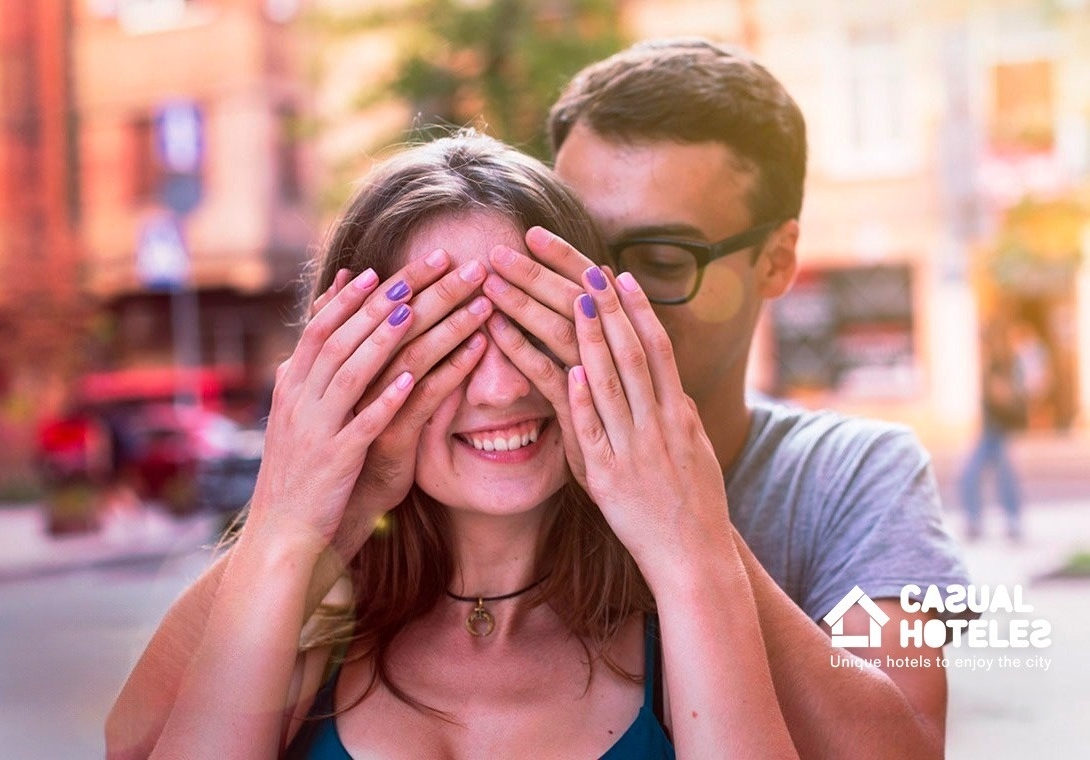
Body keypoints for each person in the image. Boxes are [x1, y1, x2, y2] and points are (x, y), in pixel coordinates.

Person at [110, 39, 973, 759]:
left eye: (658, 261)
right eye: (568, 266)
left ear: (776, 260)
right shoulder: (333, 592)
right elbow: (135, 740)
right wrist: (299, 517)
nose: (604, 308)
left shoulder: (826, 494)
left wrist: (687, 528)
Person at [111, 132, 796, 758]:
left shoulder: (678, 624)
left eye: (529, 331)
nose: (499, 388)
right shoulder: (311, 628)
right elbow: (129, 743)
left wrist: (689, 542)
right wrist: (290, 525)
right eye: (450, 344)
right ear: (351, 364)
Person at [959, 321, 1025, 541]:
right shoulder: (991, 364)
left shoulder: (1003, 363)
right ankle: (989, 521)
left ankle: (1000, 521)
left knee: (981, 474)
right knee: (989, 475)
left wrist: (1000, 391)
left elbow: (1006, 395)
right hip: (990, 428)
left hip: (998, 428)